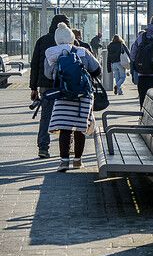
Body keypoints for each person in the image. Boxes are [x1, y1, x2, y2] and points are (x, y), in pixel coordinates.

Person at [43, 23, 101, 172]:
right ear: (71, 37)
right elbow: (97, 69)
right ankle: (78, 161)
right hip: (83, 95)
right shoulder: (82, 51)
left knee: (65, 128)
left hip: (63, 95)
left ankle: (63, 162)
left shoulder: (51, 54)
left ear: (56, 39)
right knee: (80, 128)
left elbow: (48, 75)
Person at [30, 14, 71, 158]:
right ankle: (66, 149)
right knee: (66, 116)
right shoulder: (71, 42)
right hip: (67, 86)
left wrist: (33, 87)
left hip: (46, 86)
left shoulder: (42, 41)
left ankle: (43, 147)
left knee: (46, 116)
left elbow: (34, 65)